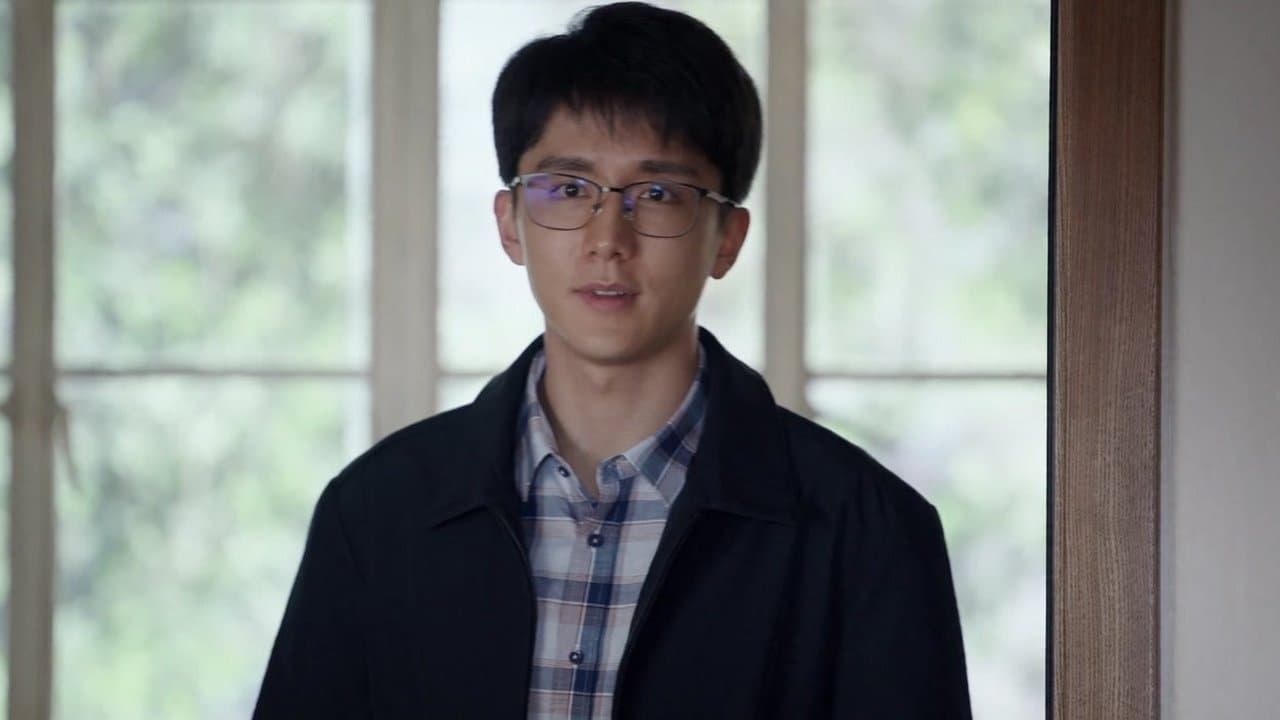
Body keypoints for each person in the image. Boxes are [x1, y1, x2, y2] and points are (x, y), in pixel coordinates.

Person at [254, 3, 971, 718]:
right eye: (568, 190)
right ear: (510, 224)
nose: (608, 239)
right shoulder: (377, 511)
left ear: (726, 238)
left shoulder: (868, 531)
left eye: (657, 195)